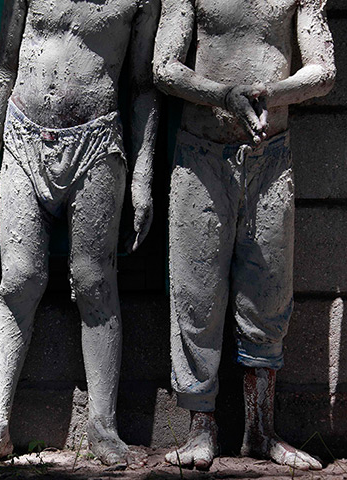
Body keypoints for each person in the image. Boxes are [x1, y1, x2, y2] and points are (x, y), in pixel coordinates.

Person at [0, 0, 161, 467]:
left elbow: (142, 85)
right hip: (23, 134)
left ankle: (102, 424)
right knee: (18, 280)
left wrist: (142, 177)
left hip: (98, 141)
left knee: (96, 282)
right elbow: (4, 65)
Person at [153, 0, 335, 470]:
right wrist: (225, 95)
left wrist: (269, 93)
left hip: (271, 158)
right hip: (200, 155)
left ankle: (261, 431)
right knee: (196, 294)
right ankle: (201, 429)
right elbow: (164, 67)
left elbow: (324, 69)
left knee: (269, 292)